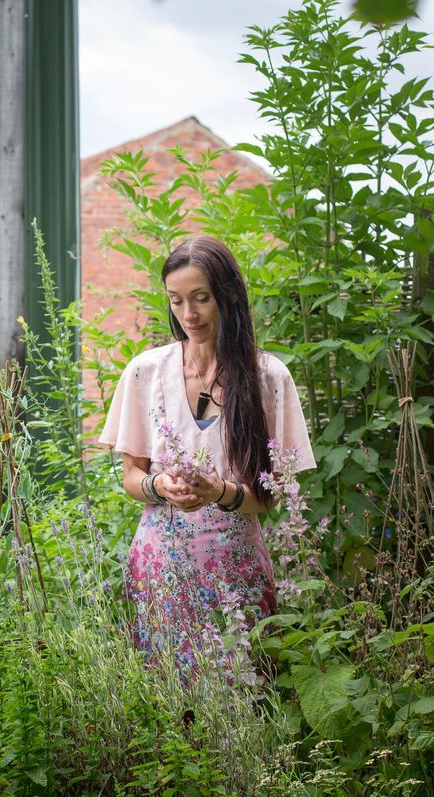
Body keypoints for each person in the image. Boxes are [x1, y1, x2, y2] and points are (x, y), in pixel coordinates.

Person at [98, 236, 315, 671]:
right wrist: (159, 486)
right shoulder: (145, 371)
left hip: (236, 572)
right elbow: (130, 478)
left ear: (228, 296)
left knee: (244, 699)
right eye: (176, 301)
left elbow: (272, 497)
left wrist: (220, 491)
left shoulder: (268, 377)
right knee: (165, 705)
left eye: (201, 298)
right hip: (161, 567)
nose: (188, 315)